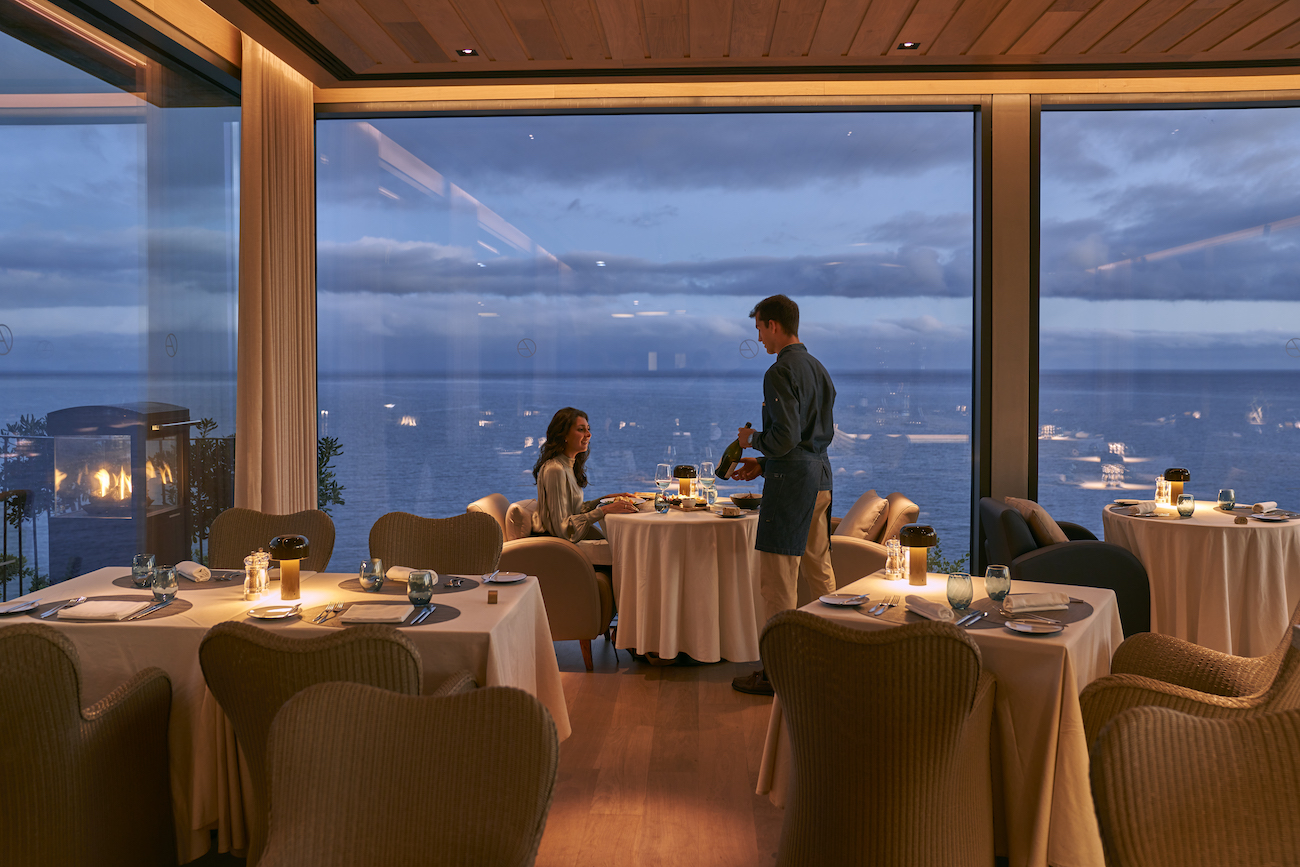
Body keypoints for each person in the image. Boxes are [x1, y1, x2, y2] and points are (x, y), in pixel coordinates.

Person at [730, 295, 836, 696]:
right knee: (819, 573)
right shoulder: (819, 369)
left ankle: (779, 672)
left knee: (777, 582)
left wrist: (751, 441)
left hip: (792, 488)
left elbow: (786, 436)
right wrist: (765, 464)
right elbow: (810, 439)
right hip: (820, 479)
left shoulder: (779, 372)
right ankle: (834, 656)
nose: (758, 338)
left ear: (774, 325)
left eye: (759, 328)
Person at [531, 408, 637, 558]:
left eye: (588, 429)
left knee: (626, 545)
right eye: (581, 430)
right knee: (628, 550)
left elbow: (573, 510)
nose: (588, 434)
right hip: (558, 550)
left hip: (566, 543)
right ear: (564, 435)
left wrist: (605, 500)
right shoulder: (555, 469)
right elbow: (562, 528)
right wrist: (604, 510)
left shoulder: (568, 466)